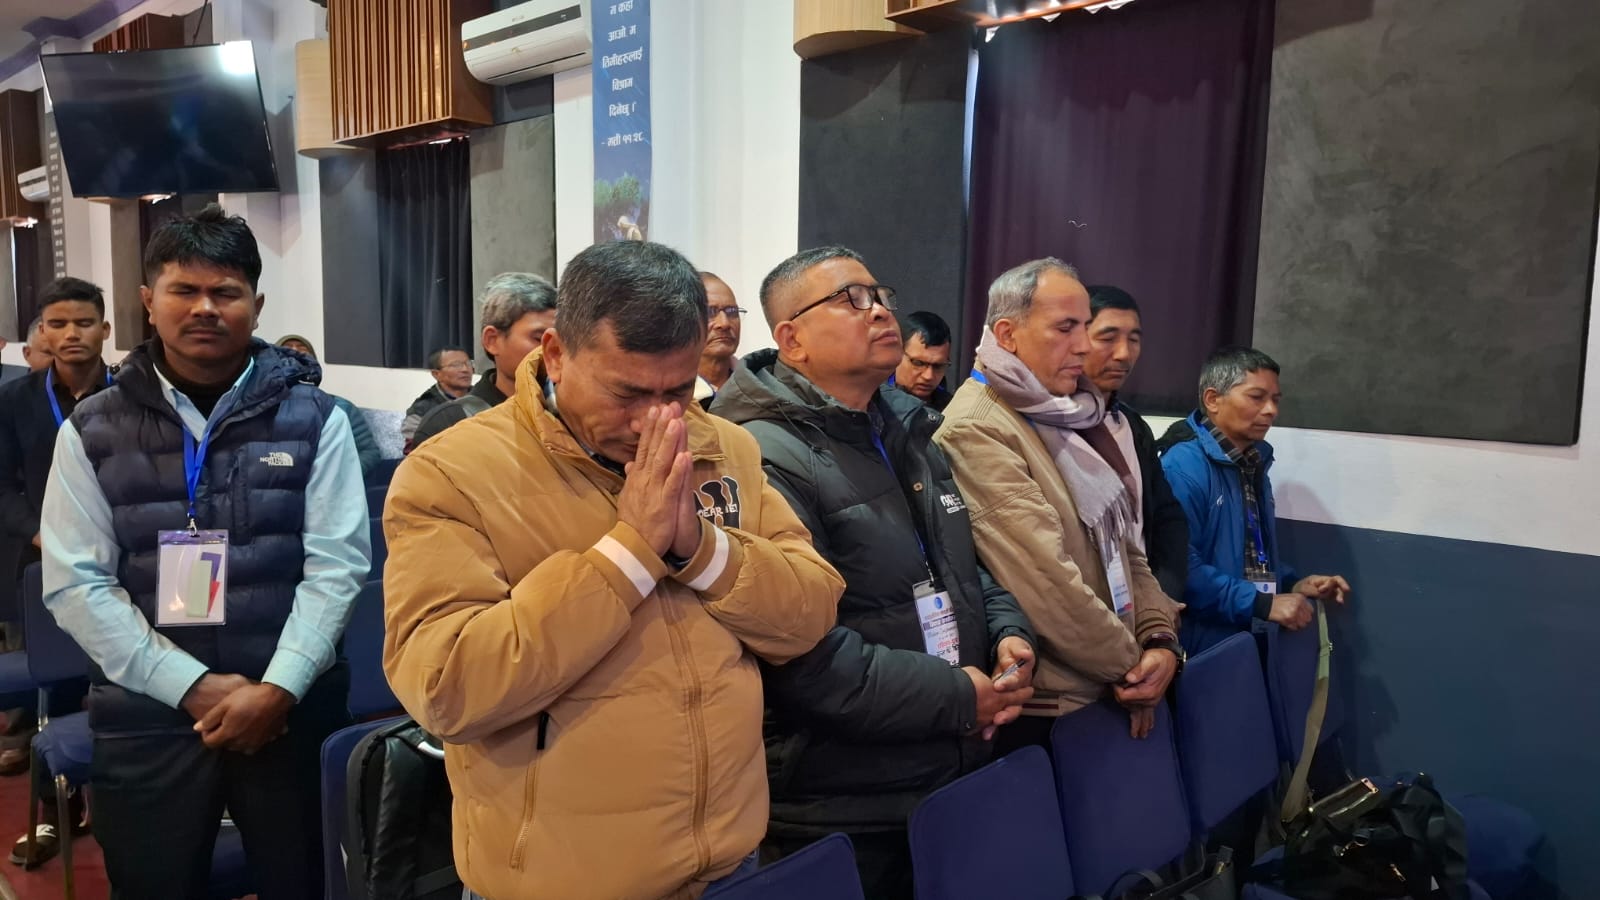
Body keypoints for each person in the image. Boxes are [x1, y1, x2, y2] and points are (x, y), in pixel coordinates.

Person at [382, 240, 842, 900]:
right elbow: (447, 688)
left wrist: (699, 550)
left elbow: (809, 614)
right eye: (627, 391)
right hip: (561, 880)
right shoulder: (450, 472)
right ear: (557, 354)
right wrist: (628, 555)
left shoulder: (723, 446)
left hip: (729, 858)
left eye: (678, 391)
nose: (654, 420)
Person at [40, 204, 368, 899]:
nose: (205, 308)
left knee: (306, 883)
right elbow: (76, 583)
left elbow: (337, 568)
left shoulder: (319, 419)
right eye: (184, 290)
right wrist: (190, 685)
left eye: (225, 291)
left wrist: (276, 690)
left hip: (289, 713)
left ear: (257, 305)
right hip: (147, 717)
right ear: (147, 301)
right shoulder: (91, 430)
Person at [710, 246, 1036, 900]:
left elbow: (959, 562)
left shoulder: (907, 427)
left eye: (880, 295)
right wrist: (959, 697)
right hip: (843, 799)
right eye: (851, 300)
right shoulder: (757, 455)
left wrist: (1008, 632)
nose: (880, 310)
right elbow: (802, 656)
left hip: (942, 766)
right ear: (792, 340)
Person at [934, 260, 1182, 752]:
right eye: (1066, 327)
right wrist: (1135, 668)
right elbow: (1046, 585)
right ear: (1007, 335)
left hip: (1110, 679)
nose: (1085, 345)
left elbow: (1125, 546)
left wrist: (1159, 638)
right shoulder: (977, 426)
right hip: (1058, 706)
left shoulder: (1066, 411)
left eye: (1085, 326)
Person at [0, 277, 115, 861]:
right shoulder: (14, 401)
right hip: (47, 561)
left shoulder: (135, 390)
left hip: (126, 560)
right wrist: (39, 532)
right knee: (63, 688)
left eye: (84, 322)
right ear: (42, 333)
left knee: (127, 685)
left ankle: (125, 808)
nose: (72, 334)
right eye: (59, 324)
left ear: (106, 329)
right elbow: (2, 486)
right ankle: (57, 814)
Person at [1158, 347, 1351, 654]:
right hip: (1202, 646)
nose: (1271, 410)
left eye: (1275, 400)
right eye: (1257, 397)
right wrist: (1262, 603)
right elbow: (1178, 569)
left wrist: (1293, 584)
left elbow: (1247, 556)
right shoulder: (1182, 467)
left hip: (1247, 635)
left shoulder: (1253, 461)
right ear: (1213, 399)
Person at [1081, 285, 1191, 601]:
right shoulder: (1051, 426)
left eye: (1134, 339)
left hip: (1140, 599)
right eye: (1108, 338)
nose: (1123, 354)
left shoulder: (1132, 425)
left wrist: (1163, 595)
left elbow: (1167, 518)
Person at [408, 272, 556, 448]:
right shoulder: (448, 424)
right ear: (492, 340)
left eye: (561, 340)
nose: (555, 350)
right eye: (539, 338)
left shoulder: (566, 414)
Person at [275, 334, 383, 477]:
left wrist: (342, 476)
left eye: (302, 351)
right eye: (287, 350)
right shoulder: (260, 410)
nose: (295, 354)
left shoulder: (341, 407)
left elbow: (369, 452)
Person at [400, 346, 472, 442]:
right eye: (456, 365)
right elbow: (415, 448)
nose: (465, 369)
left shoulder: (484, 396)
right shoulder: (421, 411)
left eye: (468, 363)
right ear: (436, 374)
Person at [693, 271, 743, 408]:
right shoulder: (670, 392)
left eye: (732, 312)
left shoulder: (757, 385)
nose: (724, 323)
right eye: (710, 312)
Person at [889, 310, 953, 411]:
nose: (928, 376)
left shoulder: (952, 409)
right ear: (896, 355)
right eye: (918, 363)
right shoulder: (870, 403)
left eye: (938, 366)